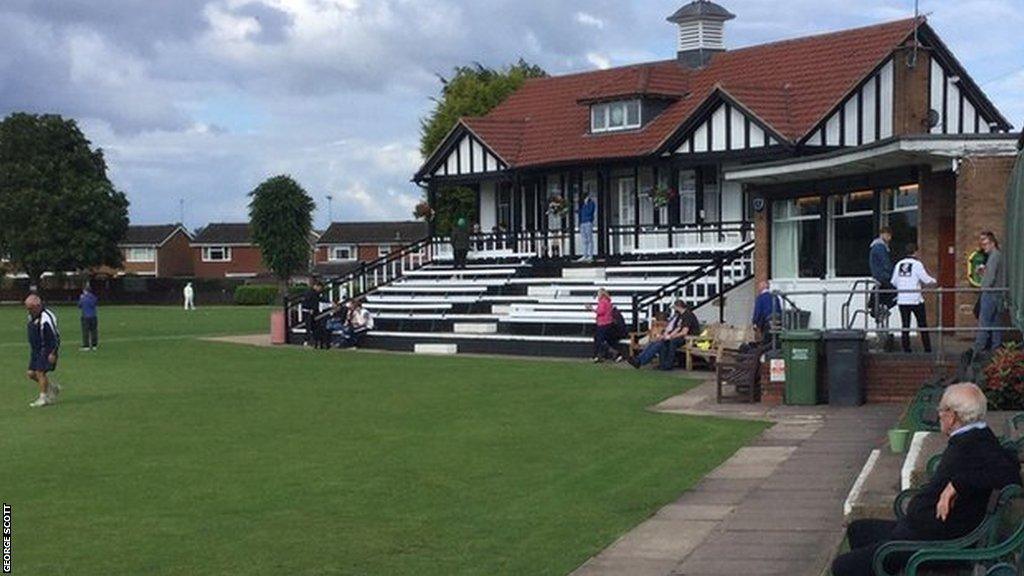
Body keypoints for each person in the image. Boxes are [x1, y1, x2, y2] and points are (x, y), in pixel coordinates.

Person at [831, 382, 1021, 576]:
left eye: (942, 409)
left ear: (953, 415)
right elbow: (1003, 465)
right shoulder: (977, 436)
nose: (939, 414)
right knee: (858, 530)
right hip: (920, 530)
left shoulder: (973, 442)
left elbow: (1009, 474)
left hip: (937, 542)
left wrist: (957, 484)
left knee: (843, 566)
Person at [630, 300, 700, 370]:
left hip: (688, 339)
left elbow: (684, 332)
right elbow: (677, 328)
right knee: (658, 342)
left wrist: (670, 337)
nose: (674, 309)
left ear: (678, 307)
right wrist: (665, 336)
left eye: (675, 307)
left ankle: (667, 364)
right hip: (679, 336)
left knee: (671, 341)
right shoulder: (680, 315)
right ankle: (639, 359)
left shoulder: (688, 315)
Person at [891, 243, 936, 354]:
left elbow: (894, 281)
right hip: (915, 299)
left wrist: (902, 286)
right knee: (922, 325)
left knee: (905, 325)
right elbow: (925, 279)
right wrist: (934, 281)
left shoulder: (899, 264)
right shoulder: (917, 264)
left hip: (902, 299)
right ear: (916, 252)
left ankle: (906, 349)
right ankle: (927, 349)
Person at [24, 294, 62, 408]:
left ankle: (43, 398)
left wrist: (53, 352)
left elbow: (56, 337)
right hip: (35, 350)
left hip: (46, 348)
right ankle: (52, 388)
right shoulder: (31, 316)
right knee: (31, 373)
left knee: (40, 372)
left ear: (37, 305)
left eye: (30, 308)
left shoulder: (46, 317)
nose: (29, 311)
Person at [974, 231, 1006, 353]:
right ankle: (996, 349)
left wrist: (984, 287)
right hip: (998, 293)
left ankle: (978, 350)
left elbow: (991, 278)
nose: (983, 246)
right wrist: (984, 273)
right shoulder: (998, 255)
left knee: (984, 322)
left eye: (985, 243)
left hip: (990, 293)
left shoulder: (994, 257)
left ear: (992, 243)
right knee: (995, 323)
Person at [588, 289, 623, 363]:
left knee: (599, 340)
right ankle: (602, 355)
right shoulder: (608, 301)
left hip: (603, 324)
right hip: (608, 323)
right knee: (604, 340)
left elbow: (600, 312)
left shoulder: (603, 302)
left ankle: (600, 356)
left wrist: (591, 309)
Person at [868, 227, 895, 321]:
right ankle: (880, 310)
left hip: (880, 276)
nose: (890, 238)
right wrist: (893, 275)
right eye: (889, 235)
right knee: (897, 292)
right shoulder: (880, 247)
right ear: (884, 234)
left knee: (882, 294)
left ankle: (878, 308)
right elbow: (886, 263)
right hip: (883, 276)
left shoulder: (878, 246)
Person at [301, 281, 327, 349]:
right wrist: (311, 309)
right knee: (309, 327)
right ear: (317, 286)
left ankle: (315, 342)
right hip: (309, 312)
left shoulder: (314, 293)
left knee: (314, 327)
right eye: (320, 288)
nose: (320, 290)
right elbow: (308, 302)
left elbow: (319, 300)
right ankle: (308, 341)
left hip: (312, 312)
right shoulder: (310, 293)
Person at [78, 285, 99, 351]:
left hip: (85, 316)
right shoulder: (93, 297)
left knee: (85, 331)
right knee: (94, 331)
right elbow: (95, 304)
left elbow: (79, 305)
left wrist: (81, 298)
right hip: (93, 316)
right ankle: (94, 345)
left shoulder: (83, 298)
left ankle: (86, 346)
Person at [578, 192, 596, 262]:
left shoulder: (591, 204)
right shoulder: (583, 205)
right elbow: (581, 212)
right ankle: (585, 255)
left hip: (588, 222)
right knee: (584, 240)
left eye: (586, 198)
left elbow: (589, 212)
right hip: (582, 223)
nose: (585, 199)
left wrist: (586, 204)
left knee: (589, 239)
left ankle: (590, 255)